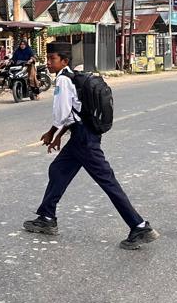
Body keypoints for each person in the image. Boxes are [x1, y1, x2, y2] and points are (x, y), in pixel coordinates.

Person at [23, 42, 158, 250]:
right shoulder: (74, 77)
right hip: (83, 135)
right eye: (48, 58)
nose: (48, 63)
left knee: (107, 181)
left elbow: (62, 114)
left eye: (53, 59)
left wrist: (53, 133)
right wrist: (58, 133)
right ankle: (46, 217)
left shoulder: (63, 81)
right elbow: (75, 112)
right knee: (58, 169)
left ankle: (139, 226)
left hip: (84, 139)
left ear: (64, 61)